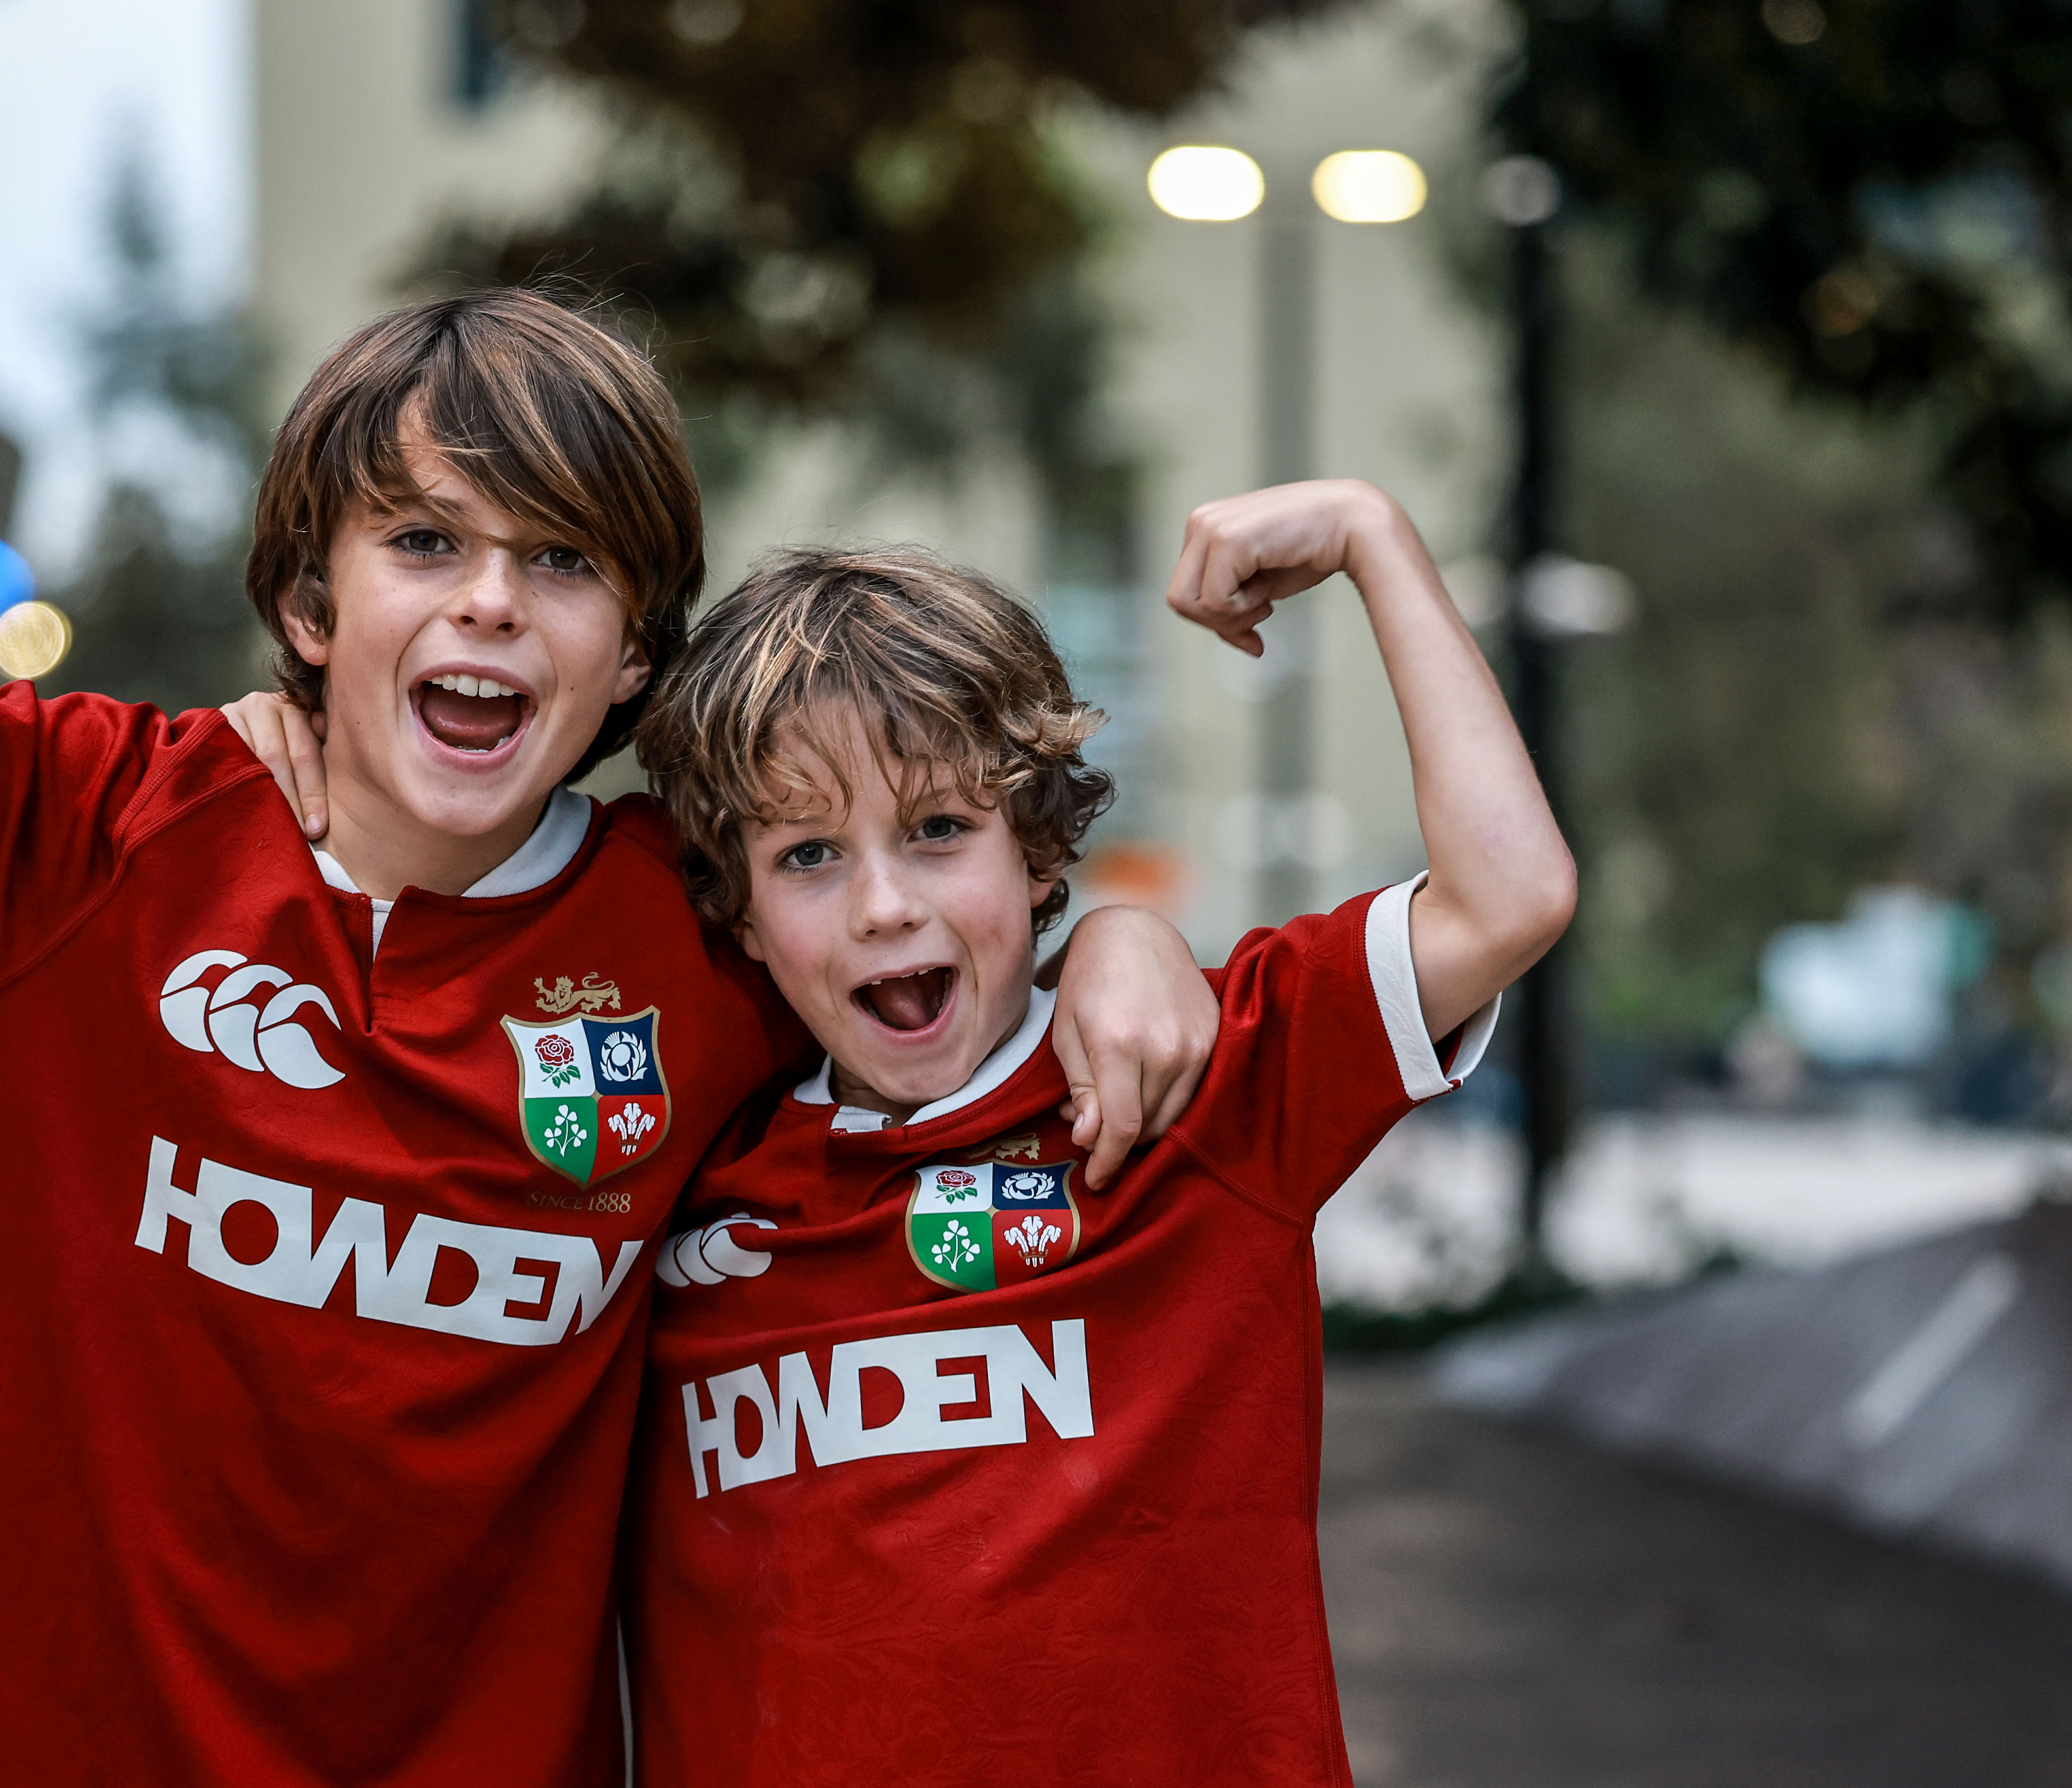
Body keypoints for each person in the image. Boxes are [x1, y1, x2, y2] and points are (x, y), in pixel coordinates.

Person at [0, 77, 1213, 1787]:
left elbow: (936, 975)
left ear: (637, 659)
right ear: (311, 605)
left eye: (563, 560)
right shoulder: (96, 828)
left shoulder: (699, 930)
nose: (490, 601)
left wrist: (1112, 944)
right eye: (425, 541)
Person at [614, 493, 1576, 1784]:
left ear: (1040, 850)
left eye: (940, 829)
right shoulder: (672, 1191)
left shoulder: (1197, 1089)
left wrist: (1368, 536)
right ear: (734, 910)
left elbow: (1509, 895)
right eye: (806, 854)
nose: (884, 905)